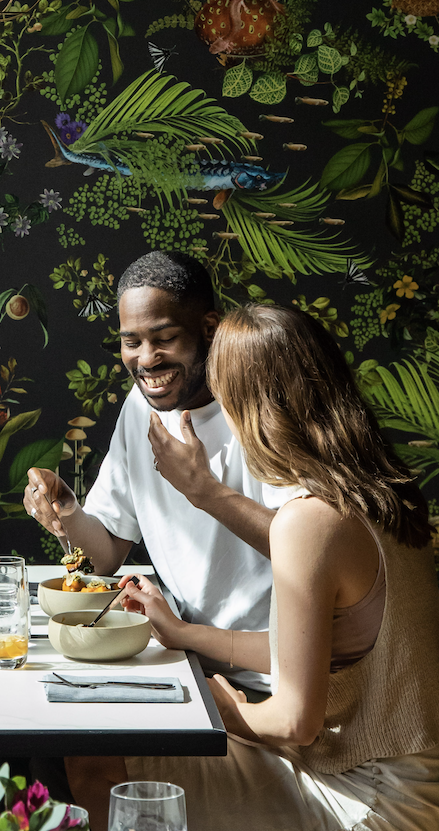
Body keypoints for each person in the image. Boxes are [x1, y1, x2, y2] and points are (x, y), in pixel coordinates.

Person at [67, 304, 439, 831]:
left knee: (108, 776)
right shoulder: (377, 488)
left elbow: (293, 721)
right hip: (398, 783)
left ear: (253, 403)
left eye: (223, 397)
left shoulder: (309, 520)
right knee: (104, 756)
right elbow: (309, 648)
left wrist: (221, 705)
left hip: (371, 808)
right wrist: (184, 637)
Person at [23, 251, 293, 691]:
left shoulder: (260, 409)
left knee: (85, 752)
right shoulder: (140, 407)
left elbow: (312, 552)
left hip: (271, 676)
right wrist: (67, 509)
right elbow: (106, 555)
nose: (147, 361)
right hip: (187, 661)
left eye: (164, 338)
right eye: (132, 342)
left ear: (209, 328)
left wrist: (203, 491)